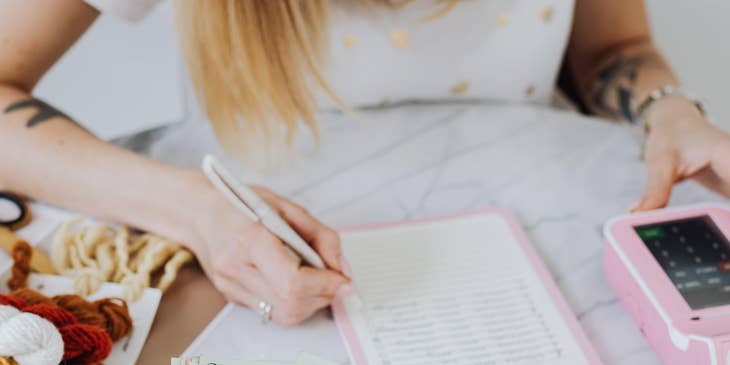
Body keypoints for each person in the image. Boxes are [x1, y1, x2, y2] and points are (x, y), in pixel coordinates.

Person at [0, 0, 728, 327]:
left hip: (541, 237)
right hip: (244, 276)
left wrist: (668, 108)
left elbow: (614, 50)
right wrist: (193, 208)